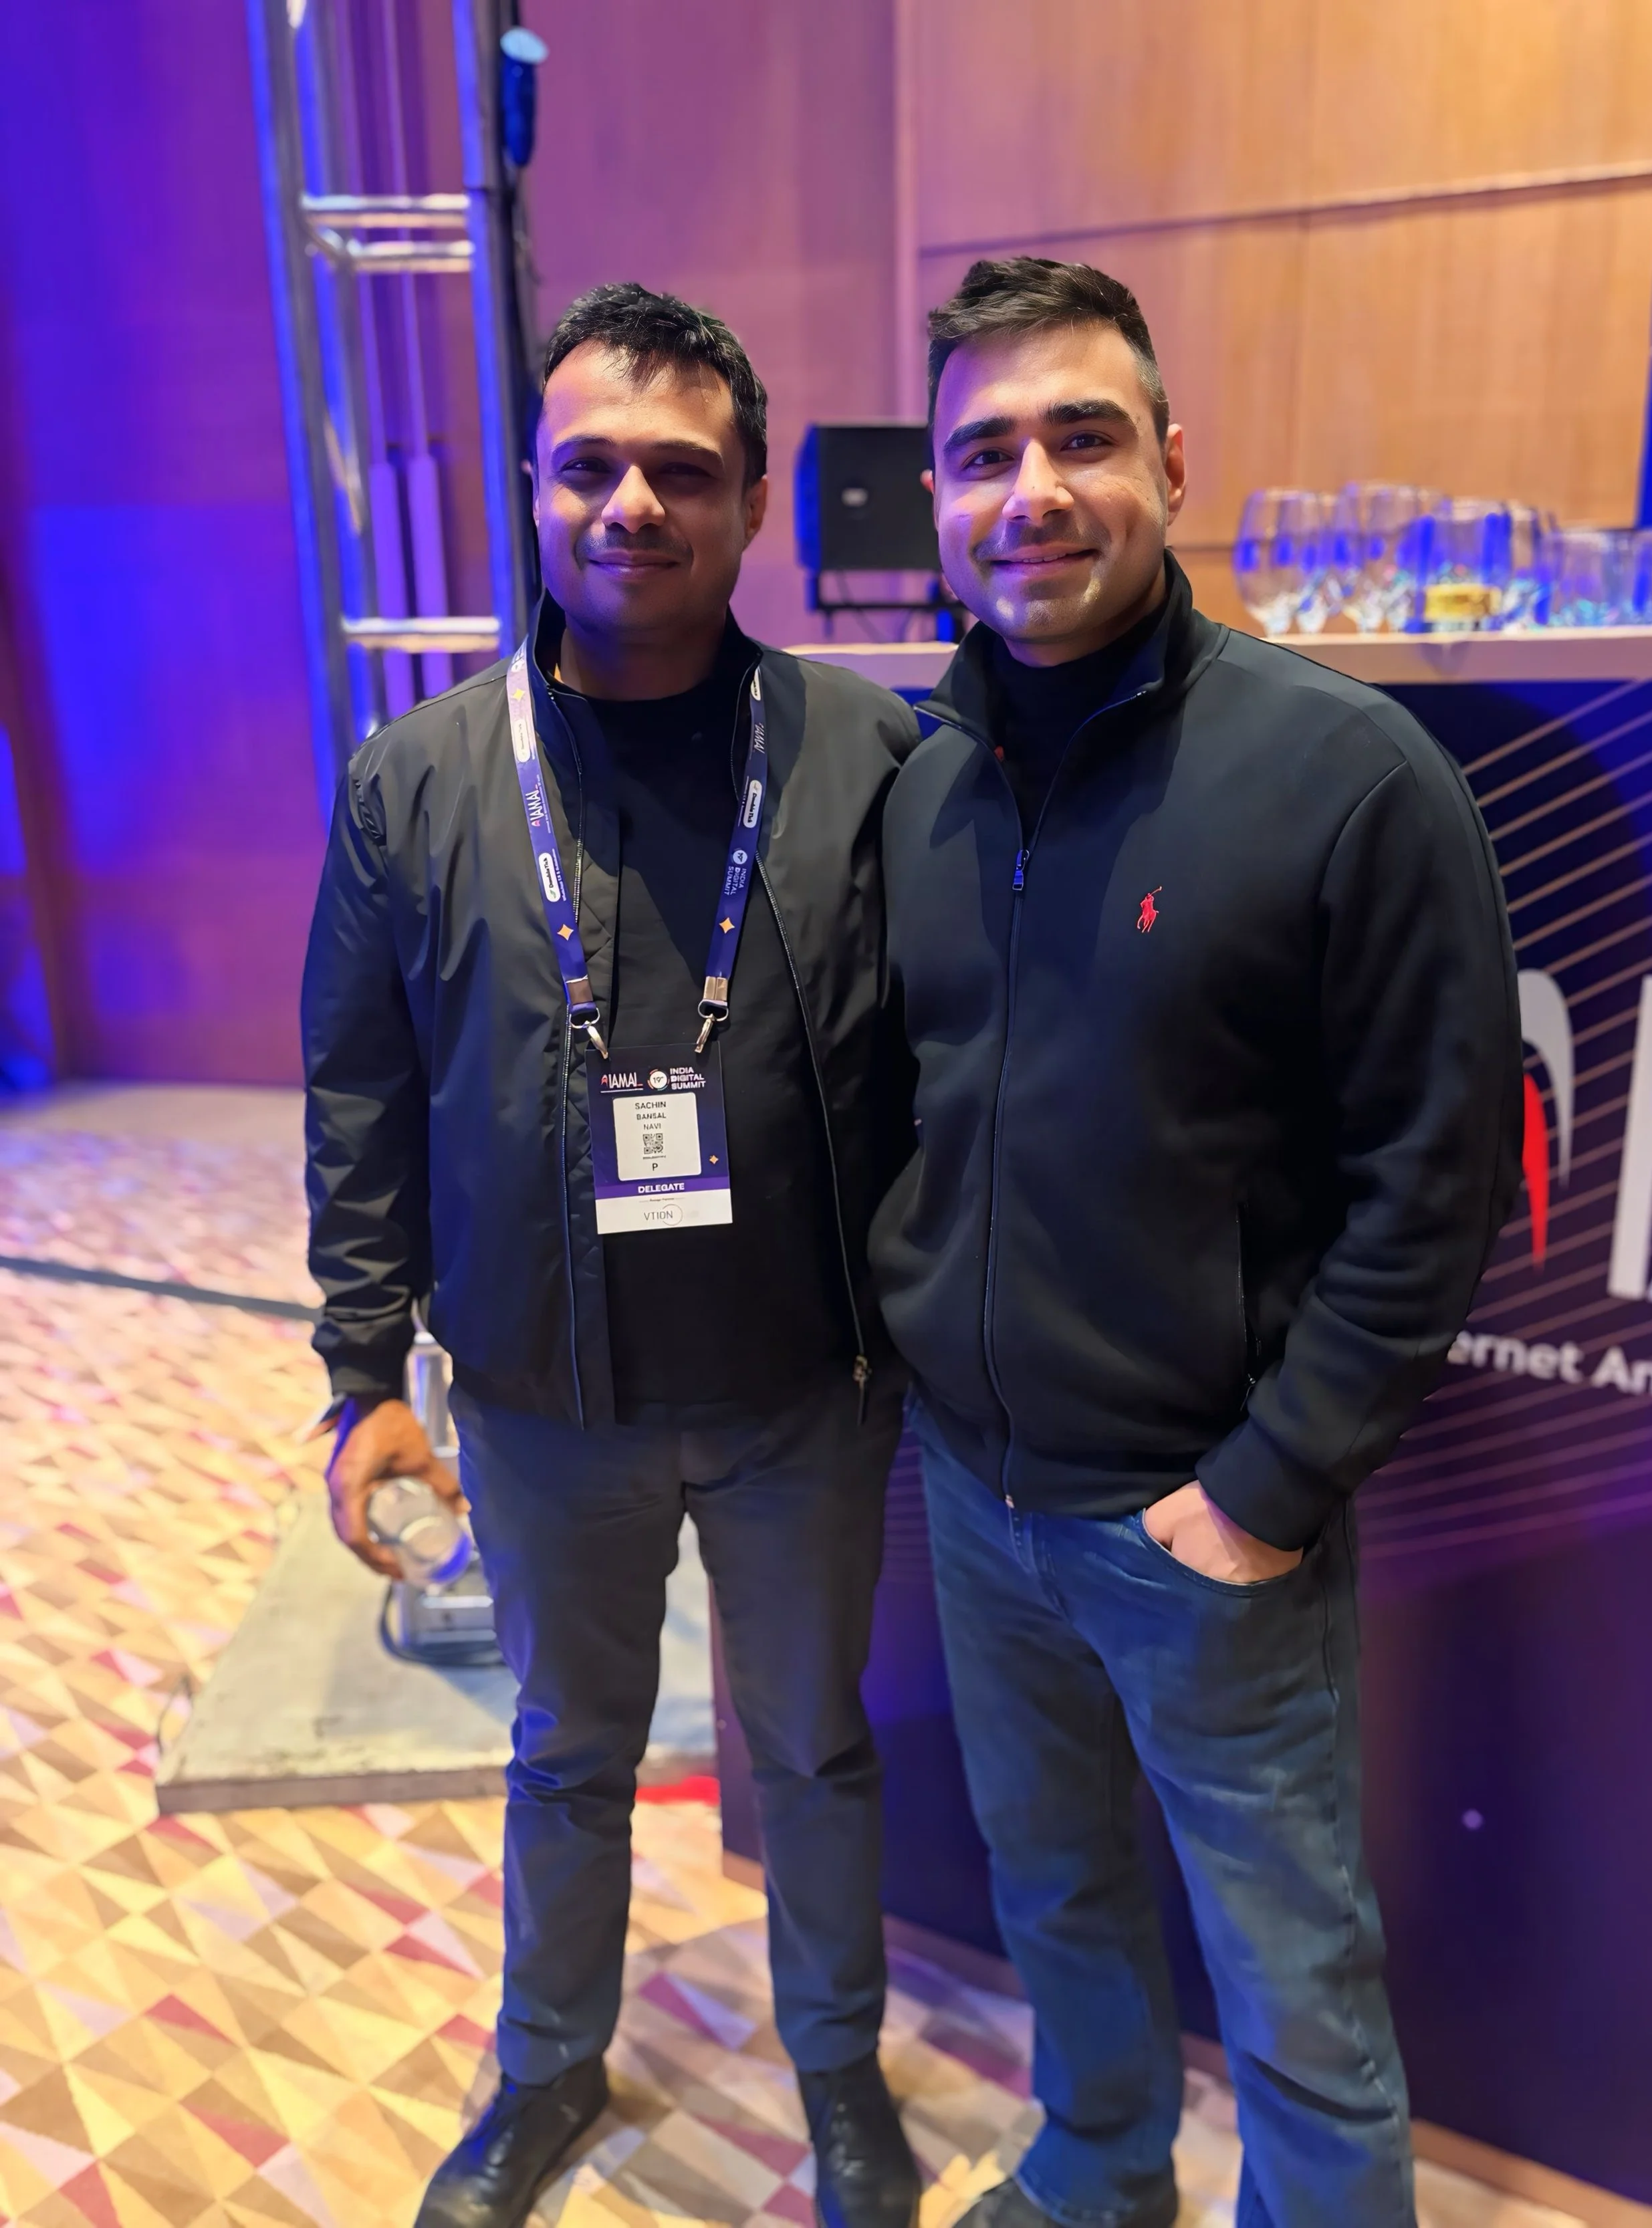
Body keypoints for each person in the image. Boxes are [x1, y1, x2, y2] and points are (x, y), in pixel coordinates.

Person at [871, 256, 1523, 2228]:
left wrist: (1263, 1482)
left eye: (1081, 434)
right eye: (983, 449)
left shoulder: (1342, 776)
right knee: (1051, 1887)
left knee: (1291, 1975)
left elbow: (1438, 1171)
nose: (1032, 487)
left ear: (1172, 456)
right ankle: (1095, 2177)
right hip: (979, 1504)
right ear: (935, 495)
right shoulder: (923, 783)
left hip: (1200, 1528)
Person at [303, 283, 923, 2228]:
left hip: (799, 1383)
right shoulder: (415, 780)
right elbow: (358, 1091)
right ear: (534, 488)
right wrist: (356, 1375)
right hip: (538, 1393)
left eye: (683, 470)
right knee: (567, 1745)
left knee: (813, 1746)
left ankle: (838, 2075)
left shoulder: (863, 752)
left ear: (747, 505)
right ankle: (545, 2071)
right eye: (591, 464)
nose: (632, 503)